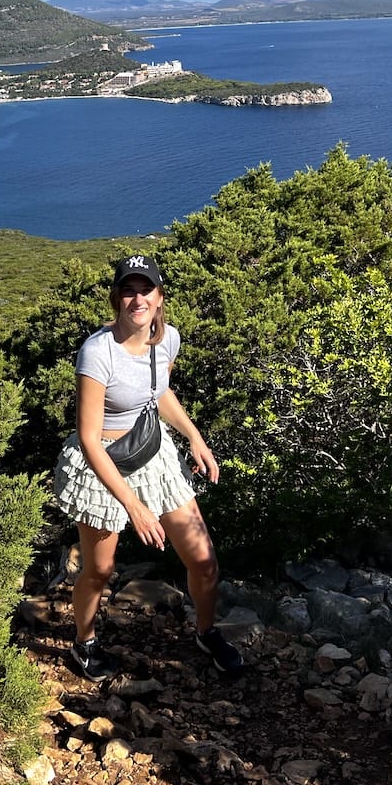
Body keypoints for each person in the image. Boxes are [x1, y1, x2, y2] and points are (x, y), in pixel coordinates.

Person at [53, 254, 244, 681]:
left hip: (152, 453)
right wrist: (135, 507)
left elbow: (159, 393)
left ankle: (206, 631)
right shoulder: (98, 352)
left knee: (205, 562)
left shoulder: (167, 340)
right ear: (116, 298)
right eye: (128, 290)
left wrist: (195, 437)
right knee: (100, 569)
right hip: (102, 460)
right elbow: (88, 439)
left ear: (159, 297)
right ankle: (84, 641)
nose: (137, 298)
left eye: (145, 290)